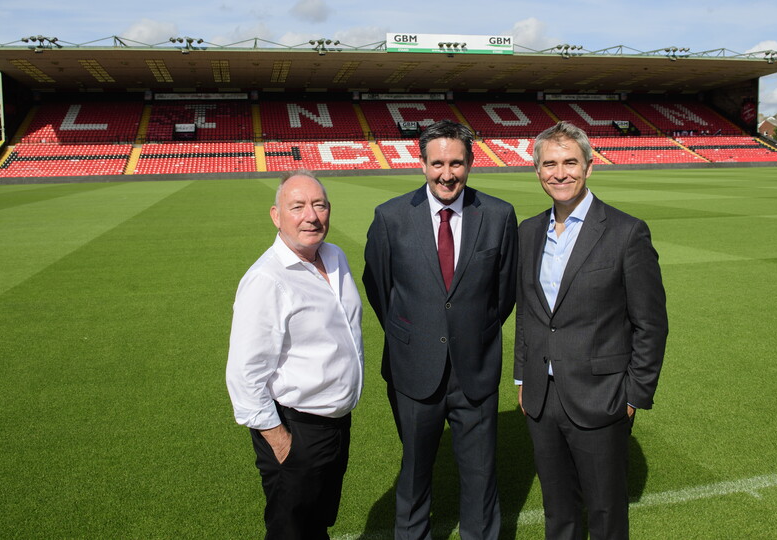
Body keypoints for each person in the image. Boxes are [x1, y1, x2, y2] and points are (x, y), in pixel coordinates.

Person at [363, 120, 518, 540]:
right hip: (414, 371)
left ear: (470, 163)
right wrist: (415, 332)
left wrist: (471, 331)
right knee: (413, 477)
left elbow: (503, 295)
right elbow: (379, 288)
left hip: (476, 370)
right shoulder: (391, 217)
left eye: (456, 163)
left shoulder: (500, 215)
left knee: (481, 478)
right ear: (422, 163)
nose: (446, 174)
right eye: (437, 164)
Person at [514, 122, 668, 540]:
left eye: (569, 162)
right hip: (542, 397)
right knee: (557, 511)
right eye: (549, 164)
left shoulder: (626, 231)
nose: (559, 173)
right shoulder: (527, 232)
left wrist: (635, 394)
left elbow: (651, 323)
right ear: (537, 171)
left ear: (589, 167)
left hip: (601, 397)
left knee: (604, 513)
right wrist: (523, 377)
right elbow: (527, 312)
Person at [225, 170, 364, 540]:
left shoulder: (335, 257)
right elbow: (244, 374)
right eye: (298, 206)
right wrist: (282, 442)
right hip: (295, 428)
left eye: (319, 205)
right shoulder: (267, 279)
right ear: (276, 215)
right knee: (291, 530)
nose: (311, 216)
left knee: (316, 524)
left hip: (334, 424)